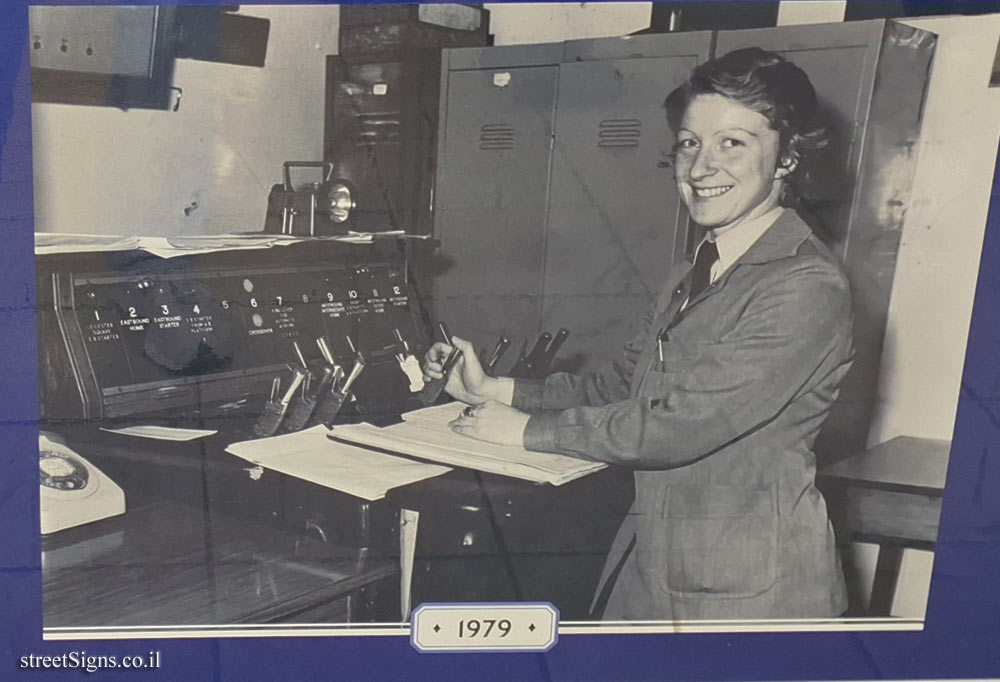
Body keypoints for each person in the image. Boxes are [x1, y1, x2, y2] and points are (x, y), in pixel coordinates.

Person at [423, 48, 853, 621]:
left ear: (786, 159)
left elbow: (677, 425)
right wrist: (498, 391)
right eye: (690, 142)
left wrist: (527, 431)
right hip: (652, 566)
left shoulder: (805, 284)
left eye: (733, 143)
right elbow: (625, 386)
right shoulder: (695, 269)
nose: (700, 168)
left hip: (749, 590)